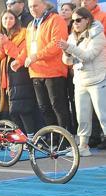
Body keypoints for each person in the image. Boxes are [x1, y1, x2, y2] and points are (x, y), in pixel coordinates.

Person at [58, 7, 106, 157]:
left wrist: (69, 48)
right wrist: (66, 52)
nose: (75, 23)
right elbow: (67, 61)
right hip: (80, 81)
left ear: (87, 20)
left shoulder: (98, 34)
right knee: (82, 117)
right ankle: (83, 146)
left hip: (98, 79)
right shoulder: (72, 36)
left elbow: (88, 56)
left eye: (78, 20)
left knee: (103, 116)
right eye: (73, 20)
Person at [25, 0, 72, 133]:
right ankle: (54, 139)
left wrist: (36, 56)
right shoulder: (30, 25)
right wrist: (19, 60)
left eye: (35, 5)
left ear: (45, 5)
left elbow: (56, 44)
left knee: (58, 107)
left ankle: (66, 140)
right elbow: (28, 48)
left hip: (53, 72)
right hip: (35, 72)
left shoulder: (56, 19)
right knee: (44, 108)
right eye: (30, 6)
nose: (32, 9)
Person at [0, 10, 42, 136]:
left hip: (21, 75)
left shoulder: (23, 33)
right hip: (8, 77)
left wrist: (6, 44)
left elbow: (19, 55)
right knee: (13, 111)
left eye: (11, 18)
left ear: (16, 20)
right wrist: (1, 45)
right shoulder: (3, 35)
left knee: (23, 109)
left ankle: (31, 136)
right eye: (5, 19)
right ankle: (21, 137)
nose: (7, 21)